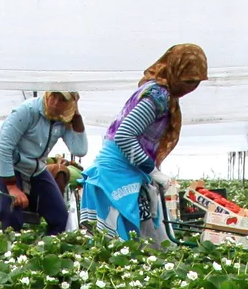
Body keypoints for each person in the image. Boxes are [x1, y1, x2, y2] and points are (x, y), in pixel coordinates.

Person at [84, 44, 209, 243]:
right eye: (188, 81)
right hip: (115, 177)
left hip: (129, 172)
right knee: (121, 247)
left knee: (147, 242)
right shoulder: (157, 96)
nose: (191, 88)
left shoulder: (161, 92)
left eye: (197, 82)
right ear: (175, 72)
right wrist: (152, 171)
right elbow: (124, 135)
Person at [0, 91, 85, 235]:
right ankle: (8, 252)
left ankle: (44, 253)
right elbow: (4, 147)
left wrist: (76, 117)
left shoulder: (64, 118)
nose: (56, 103)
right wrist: (12, 187)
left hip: (35, 168)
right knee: (11, 214)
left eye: (63, 100)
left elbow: (79, 149)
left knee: (60, 218)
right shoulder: (28, 110)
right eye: (54, 96)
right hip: (7, 163)